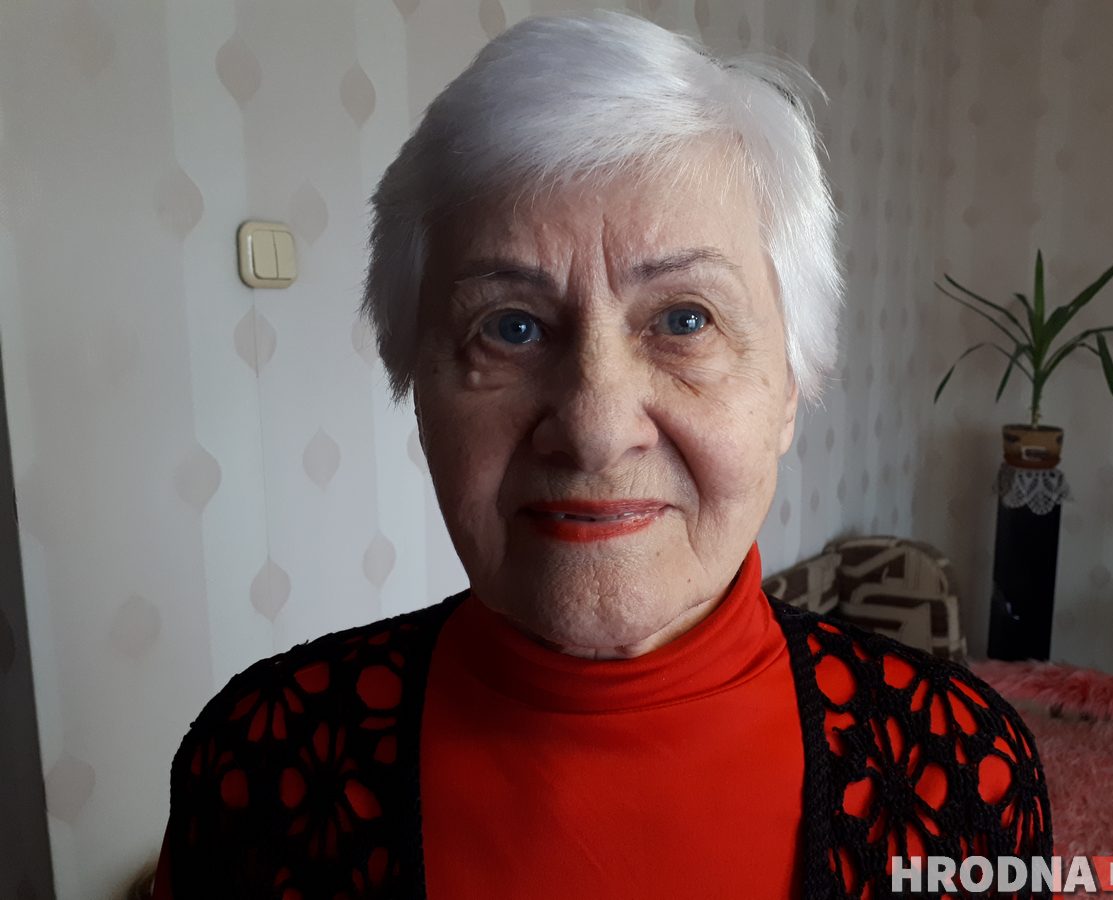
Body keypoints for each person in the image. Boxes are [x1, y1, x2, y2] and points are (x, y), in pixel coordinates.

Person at [152, 10, 1052, 899]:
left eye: (685, 319)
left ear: (788, 387)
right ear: (415, 385)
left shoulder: (962, 774)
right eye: (509, 327)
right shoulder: (259, 764)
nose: (594, 426)